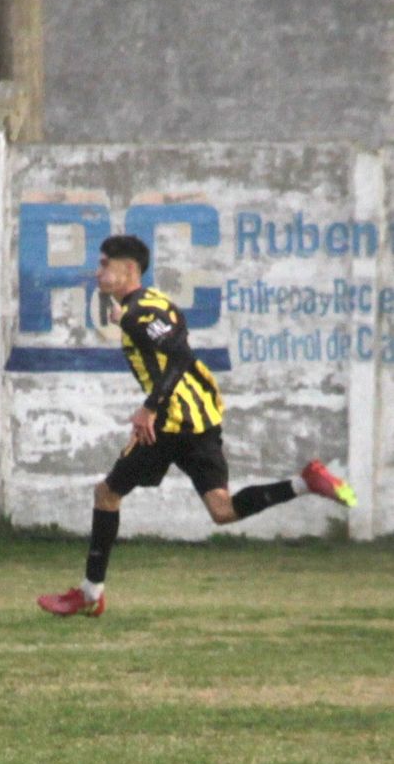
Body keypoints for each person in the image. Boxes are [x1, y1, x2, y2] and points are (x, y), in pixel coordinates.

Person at [38, 235, 357, 617]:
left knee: (107, 493)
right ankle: (307, 481)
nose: (98, 271)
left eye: (105, 264)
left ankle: (90, 594)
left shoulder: (139, 312)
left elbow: (180, 355)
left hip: (169, 423)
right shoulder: (153, 304)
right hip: (201, 417)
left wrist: (150, 407)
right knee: (222, 510)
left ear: (129, 269)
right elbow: (175, 347)